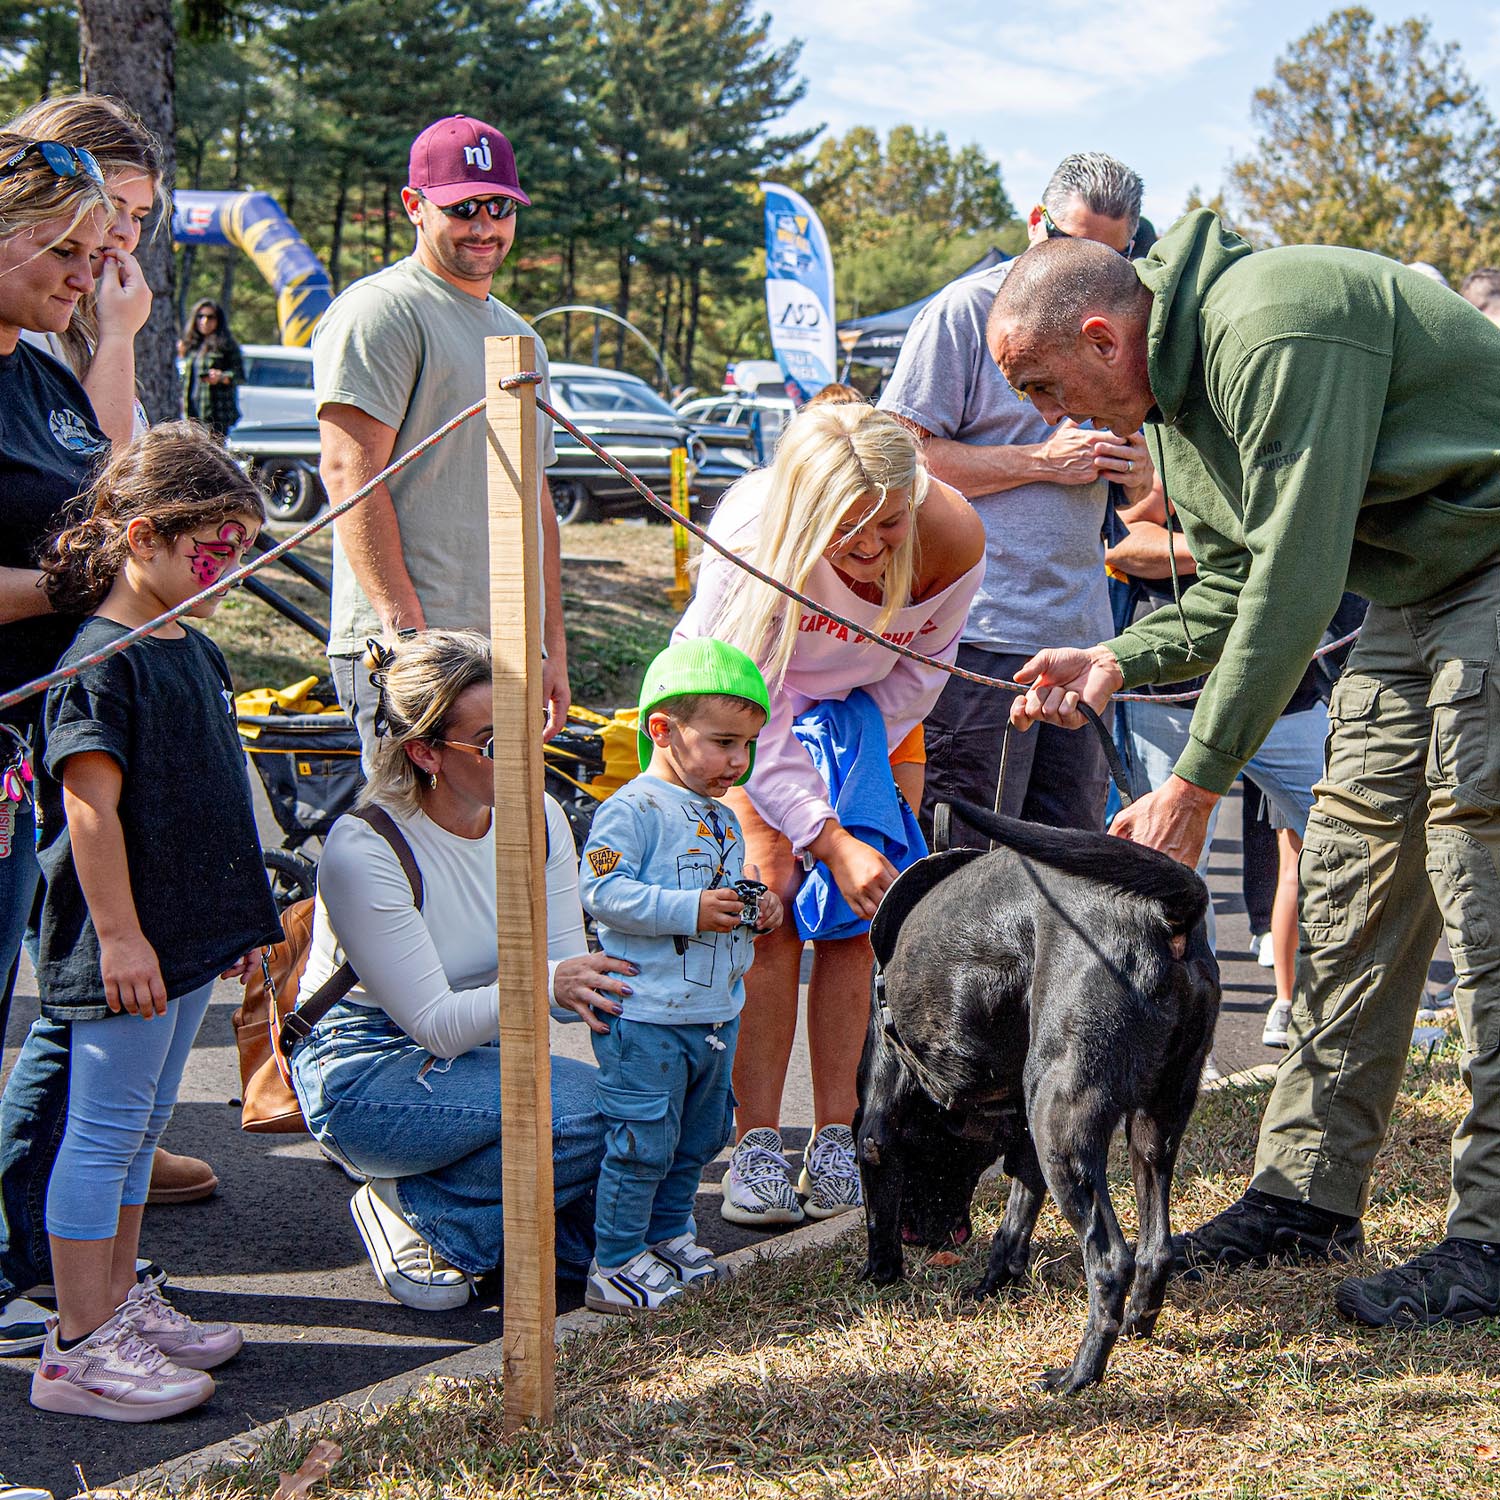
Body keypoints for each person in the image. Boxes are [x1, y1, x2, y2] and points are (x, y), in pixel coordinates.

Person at [989, 212, 1500, 1328]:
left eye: (1041, 383)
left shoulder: (1271, 329)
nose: (1045, 418)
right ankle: (1307, 1195)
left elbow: (1301, 579)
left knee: (1481, 879)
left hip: (1490, 561)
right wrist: (1116, 657)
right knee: (1357, 886)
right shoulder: (1168, 404)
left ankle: (1494, 1235)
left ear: (1101, 338)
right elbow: (1232, 583)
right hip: (1421, 588)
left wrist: (1195, 783)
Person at [673, 402, 985, 1224]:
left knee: (860, 912)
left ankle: (839, 1136)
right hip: (744, 708)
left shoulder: (951, 536)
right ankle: (757, 1143)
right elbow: (753, 711)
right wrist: (820, 830)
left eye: (888, 524)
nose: (876, 548)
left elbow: (917, 680)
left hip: (865, 715)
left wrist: (847, 803)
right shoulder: (751, 540)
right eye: (850, 530)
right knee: (768, 896)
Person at [25, 423, 281, 1420]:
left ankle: (116, 1305)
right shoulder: (101, 660)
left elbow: (209, 792)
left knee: (139, 1133)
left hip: (180, 941)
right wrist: (124, 937)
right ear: (142, 538)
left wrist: (233, 918)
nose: (231, 571)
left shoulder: (194, 644)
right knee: (99, 1133)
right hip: (124, 945)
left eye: (243, 550)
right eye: (212, 551)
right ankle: (77, 1348)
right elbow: (91, 809)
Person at [6, 92, 219, 1223]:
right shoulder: (29, 339)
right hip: (40, 712)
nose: (109, 258)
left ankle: (67, 1208)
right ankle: (48, 1226)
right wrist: (81, 585)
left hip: (37, 720)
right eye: (90, 235)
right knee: (87, 975)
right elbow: (95, 534)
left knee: (66, 993)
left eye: (124, 231)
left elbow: (103, 488)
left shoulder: (52, 356)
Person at [289, 630, 632, 1308]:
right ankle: (418, 1211)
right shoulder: (366, 847)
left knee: (645, 1128)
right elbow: (439, 1027)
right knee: (600, 1115)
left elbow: (564, 985)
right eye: (494, 743)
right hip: (363, 1070)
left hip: (483, 1055)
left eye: (530, 726)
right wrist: (552, 984)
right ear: (424, 753)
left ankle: (482, 1218)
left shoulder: (539, 816)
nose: (527, 755)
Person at [878, 150, 1152, 844]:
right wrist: (1039, 461)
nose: (1091, 271)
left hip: (1082, 639)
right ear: (1036, 224)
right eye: (1073, 245)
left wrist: (1138, 464)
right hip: (977, 636)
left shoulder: (1118, 323)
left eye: (1115, 258)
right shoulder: (967, 311)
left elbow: (1145, 494)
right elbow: (895, 461)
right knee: (963, 860)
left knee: (1068, 863)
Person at [313, 115, 569, 763]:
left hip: (505, 649)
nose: (484, 226)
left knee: (493, 859)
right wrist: (408, 638)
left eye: (500, 207)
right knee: (402, 855)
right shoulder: (382, 311)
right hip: (414, 652)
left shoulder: (524, 340)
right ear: (414, 206)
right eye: (462, 208)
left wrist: (551, 649)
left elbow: (537, 506)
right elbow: (349, 473)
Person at [0, 129, 114, 1361]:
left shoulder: (40, 372)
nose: (90, 272)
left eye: (100, 251)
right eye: (66, 248)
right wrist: (63, 584)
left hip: (32, 750)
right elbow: (59, 565)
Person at [579, 639, 783, 1314]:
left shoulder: (722, 816)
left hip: (712, 1013)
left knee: (698, 1139)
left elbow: (722, 894)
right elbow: (603, 891)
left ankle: (668, 1237)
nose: (738, 761)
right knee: (642, 1141)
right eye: (724, 742)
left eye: (749, 745)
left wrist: (756, 907)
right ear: (661, 731)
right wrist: (690, 909)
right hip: (645, 1016)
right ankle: (615, 1260)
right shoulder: (632, 809)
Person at [9, 93, 160, 446]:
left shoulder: (84, 318)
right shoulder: (26, 319)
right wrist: (119, 336)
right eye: (110, 205)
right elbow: (92, 464)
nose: (124, 232)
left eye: (138, 216)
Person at [179, 299, 244, 437]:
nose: (205, 321)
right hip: (193, 411)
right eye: (200, 316)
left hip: (217, 413)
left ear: (218, 320)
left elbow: (240, 376)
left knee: (214, 452)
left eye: (210, 317)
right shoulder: (192, 345)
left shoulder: (227, 345)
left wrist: (221, 377)